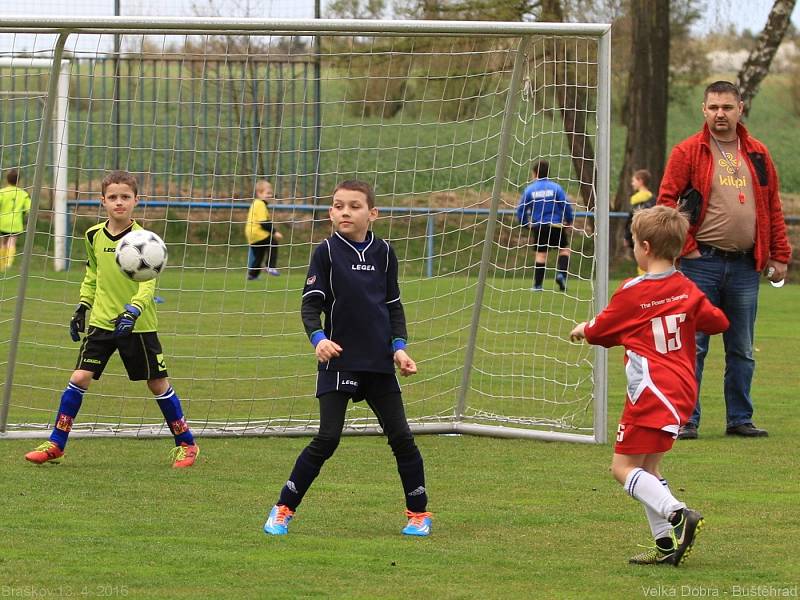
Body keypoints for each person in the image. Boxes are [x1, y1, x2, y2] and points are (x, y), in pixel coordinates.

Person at [262, 180, 431, 537]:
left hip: (378, 363)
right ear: (330, 213)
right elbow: (310, 306)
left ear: (372, 214)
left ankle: (418, 514)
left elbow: (392, 307)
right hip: (338, 362)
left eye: (354, 206)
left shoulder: (385, 252)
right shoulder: (325, 252)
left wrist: (399, 347)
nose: (344, 212)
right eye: (338, 206)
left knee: (402, 438)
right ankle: (282, 508)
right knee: (327, 438)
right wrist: (318, 340)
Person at [570, 205, 729, 566]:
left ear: (644, 247)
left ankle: (678, 513)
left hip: (650, 393)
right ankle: (666, 545)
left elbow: (601, 331)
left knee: (622, 468)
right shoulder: (686, 288)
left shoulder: (633, 291)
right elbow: (718, 322)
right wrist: (685, 309)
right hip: (682, 391)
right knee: (650, 470)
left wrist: (583, 328)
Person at [24, 170, 199, 468]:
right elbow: (93, 274)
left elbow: (148, 283)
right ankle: (56, 442)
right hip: (102, 322)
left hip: (139, 325)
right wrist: (82, 305)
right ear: (103, 201)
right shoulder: (93, 235)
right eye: (113, 197)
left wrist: (134, 309)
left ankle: (187, 444)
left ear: (136, 201)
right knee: (79, 378)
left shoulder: (146, 240)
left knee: (157, 384)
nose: (119, 203)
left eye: (125, 197)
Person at [657, 80, 792, 439]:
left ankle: (739, 419)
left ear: (740, 109)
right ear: (704, 110)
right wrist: (687, 248)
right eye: (714, 107)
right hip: (701, 263)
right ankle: (687, 419)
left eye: (727, 107)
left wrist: (779, 254)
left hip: (747, 265)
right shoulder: (688, 151)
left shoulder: (758, 153)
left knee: (742, 348)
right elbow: (667, 201)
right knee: (693, 345)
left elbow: (772, 206)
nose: (720, 114)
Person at [516, 160, 574, 291]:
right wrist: (569, 220)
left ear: (535, 173)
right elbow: (565, 204)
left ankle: (538, 285)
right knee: (564, 250)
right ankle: (561, 275)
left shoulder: (530, 189)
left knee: (541, 254)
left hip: (539, 226)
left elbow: (521, 209)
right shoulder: (556, 188)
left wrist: (525, 223)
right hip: (556, 225)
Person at [245, 179, 283, 280]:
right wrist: (275, 232)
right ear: (259, 193)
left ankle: (252, 275)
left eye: (271, 193)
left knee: (259, 255)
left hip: (251, 235)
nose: (270, 195)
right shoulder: (260, 204)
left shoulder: (256, 204)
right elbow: (264, 223)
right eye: (267, 193)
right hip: (257, 232)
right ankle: (270, 266)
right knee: (273, 242)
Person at [624, 169, 655, 276]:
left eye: (634, 180)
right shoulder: (652, 199)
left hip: (639, 235)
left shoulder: (637, 200)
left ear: (640, 181)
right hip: (649, 235)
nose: (632, 183)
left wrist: (627, 236)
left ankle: (644, 280)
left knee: (641, 262)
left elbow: (631, 219)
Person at [0, 169, 32, 272]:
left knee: (3, 242)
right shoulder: (23, 194)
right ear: (18, 181)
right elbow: (29, 208)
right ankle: (9, 263)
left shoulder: (2, 192)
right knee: (12, 242)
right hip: (15, 223)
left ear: (7, 180)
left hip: (2, 222)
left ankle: (2, 264)